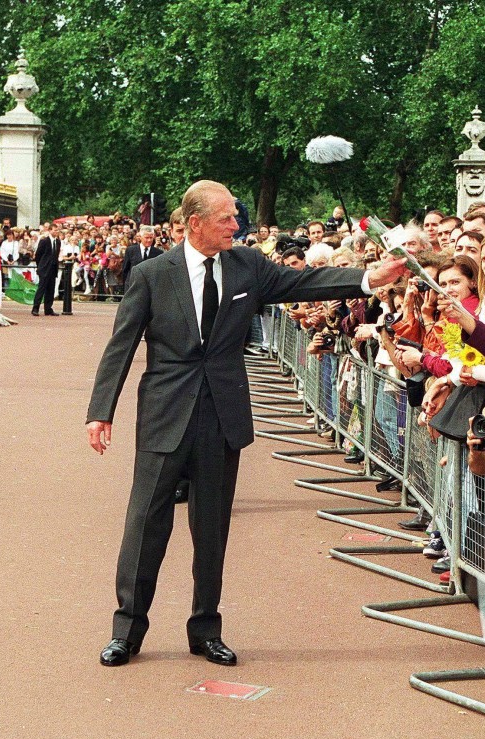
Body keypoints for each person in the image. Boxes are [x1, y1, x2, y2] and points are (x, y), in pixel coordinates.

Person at [86, 179, 405, 667]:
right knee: (145, 523)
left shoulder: (248, 266)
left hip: (222, 415)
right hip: (164, 416)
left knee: (211, 528)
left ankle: (205, 629)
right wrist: (100, 411)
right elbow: (121, 346)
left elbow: (303, 283)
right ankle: (126, 631)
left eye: (237, 216)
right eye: (227, 218)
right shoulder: (152, 274)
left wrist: (369, 279)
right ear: (196, 224)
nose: (238, 225)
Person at [121, 226, 163, 293]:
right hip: (133, 287)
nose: (149, 240)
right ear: (140, 237)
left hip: (150, 289)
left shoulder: (158, 253)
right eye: (146, 238)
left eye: (151, 238)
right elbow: (125, 270)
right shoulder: (130, 250)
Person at [31, 222, 61, 316]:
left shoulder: (58, 242)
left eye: (57, 230)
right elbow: (38, 255)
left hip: (53, 268)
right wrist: (41, 266)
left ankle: (48, 308)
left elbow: (56, 255)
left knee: (50, 289)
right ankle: (35, 308)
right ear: (50, 230)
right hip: (44, 268)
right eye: (55, 230)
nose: (56, 232)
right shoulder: (44, 241)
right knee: (41, 288)